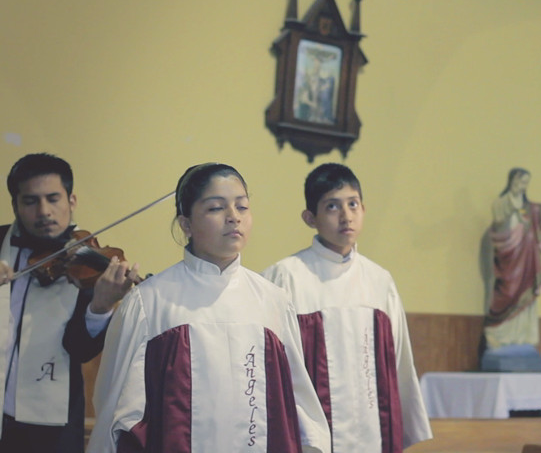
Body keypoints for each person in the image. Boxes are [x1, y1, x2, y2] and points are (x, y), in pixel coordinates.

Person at [87, 163, 330, 453]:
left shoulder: (273, 301)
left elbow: (300, 403)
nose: (233, 218)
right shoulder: (148, 303)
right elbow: (114, 407)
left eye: (242, 207)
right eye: (216, 208)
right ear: (186, 224)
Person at [262, 163, 432, 453]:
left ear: (363, 209)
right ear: (310, 218)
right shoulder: (285, 277)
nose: (346, 216)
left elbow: (400, 359)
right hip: (311, 435)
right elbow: (275, 369)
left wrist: (405, 424)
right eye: (332, 206)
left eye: (353, 204)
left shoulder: (379, 280)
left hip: (373, 430)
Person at [0, 153, 136, 453]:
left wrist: (100, 307)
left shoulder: (87, 263)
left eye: (53, 198)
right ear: (16, 205)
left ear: (71, 201)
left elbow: (80, 349)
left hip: (49, 429)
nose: (44, 211)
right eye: (31, 201)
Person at [483, 168, 541, 354]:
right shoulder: (503, 203)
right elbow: (499, 214)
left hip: (528, 263)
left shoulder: (531, 210)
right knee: (508, 293)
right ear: (511, 181)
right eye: (520, 181)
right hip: (510, 263)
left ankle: (523, 339)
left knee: (526, 298)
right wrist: (512, 202)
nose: (523, 186)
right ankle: (498, 337)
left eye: (526, 183)